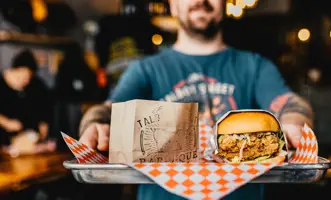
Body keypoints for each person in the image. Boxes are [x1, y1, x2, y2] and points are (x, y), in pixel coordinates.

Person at [78, 0, 314, 199]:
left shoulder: (254, 66)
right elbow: (106, 112)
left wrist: (294, 122)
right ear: (172, 5)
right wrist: (94, 127)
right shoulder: (145, 70)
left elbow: (290, 103)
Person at [0, 49, 55, 155]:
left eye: (27, 78)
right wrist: (6, 122)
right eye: (20, 76)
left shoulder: (37, 85)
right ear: (14, 69)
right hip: (5, 139)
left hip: (30, 136)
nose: (24, 81)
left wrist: (44, 124)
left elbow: (46, 107)